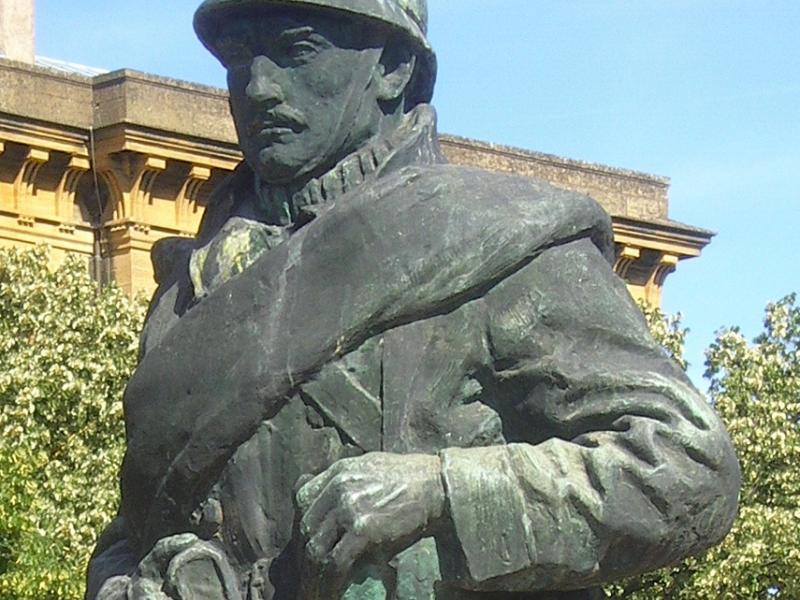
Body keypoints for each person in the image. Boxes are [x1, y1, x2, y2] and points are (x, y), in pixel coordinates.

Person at [86, 1, 741, 599]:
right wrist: (122, 584)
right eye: (239, 59)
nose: (258, 86)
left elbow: (690, 468)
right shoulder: (191, 288)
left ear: (394, 68)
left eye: (297, 49)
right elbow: (136, 525)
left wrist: (441, 491)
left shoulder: (502, 239)